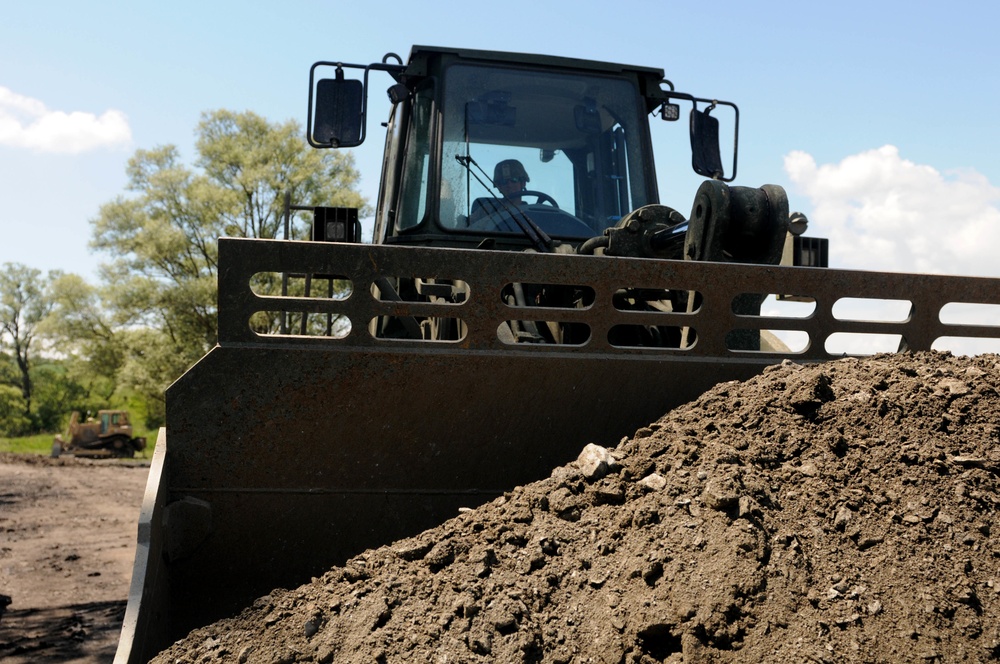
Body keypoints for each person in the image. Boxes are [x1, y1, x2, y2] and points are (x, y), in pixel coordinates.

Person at [469, 159, 530, 228]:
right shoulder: (486, 210)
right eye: (504, 182)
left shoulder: (532, 212)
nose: (509, 185)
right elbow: (464, 227)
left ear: (523, 183)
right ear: (499, 187)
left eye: (514, 180)